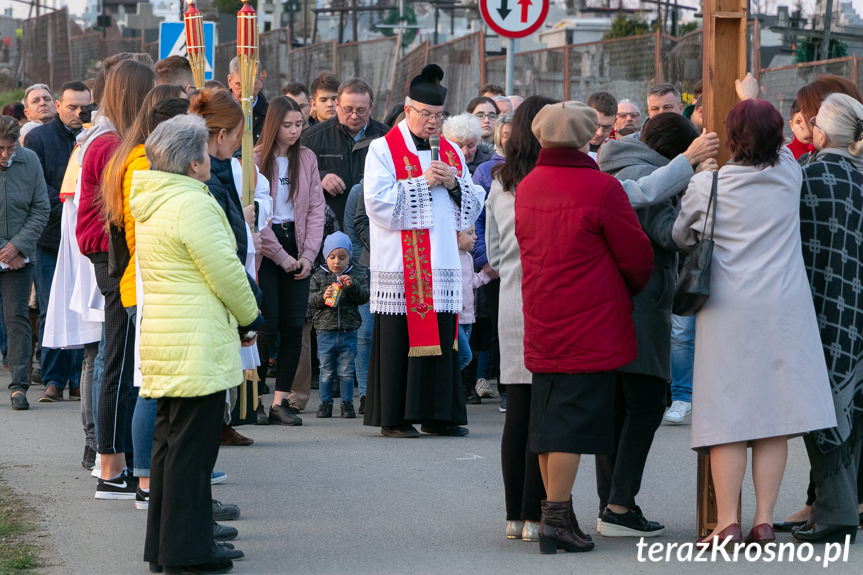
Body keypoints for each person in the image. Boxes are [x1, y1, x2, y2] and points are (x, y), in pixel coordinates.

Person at [672, 99, 836, 547]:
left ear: (730, 138)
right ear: (778, 137)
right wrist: (752, 91)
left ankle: (727, 521)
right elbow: (781, 147)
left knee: (728, 417)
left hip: (728, 310)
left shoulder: (710, 185)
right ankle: (764, 520)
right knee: (773, 418)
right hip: (784, 310)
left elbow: (680, 235)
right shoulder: (789, 175)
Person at [516, 100, 653, 554]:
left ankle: (558, 513)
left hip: (542, 313)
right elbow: (636, 257)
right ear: (586, 137)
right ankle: (556, 516)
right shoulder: (601, 188)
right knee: (571, 426)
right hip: (591, 319)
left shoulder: (529, 185)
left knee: (547, 419)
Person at [133, 114, 262, 574]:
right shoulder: (192, 203)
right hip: (195, 340)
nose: (209, 158)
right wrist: (251, 315)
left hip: (173, 337)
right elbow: (224, 268)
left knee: (171, 449)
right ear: (193, 163)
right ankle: (188, 554)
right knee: (191, 451)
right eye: (204, 152)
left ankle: (168, 547)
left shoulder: (157, 198)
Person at [363, 64, 485, 438]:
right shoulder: (382, 149)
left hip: (442, 261)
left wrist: (453, 185)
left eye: (439, 116)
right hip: (401, 266)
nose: (433, 123)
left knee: (443, 337)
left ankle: (438, 415)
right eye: (426, 114)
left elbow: (473, 203)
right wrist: (421, 182)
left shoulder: (450, 151)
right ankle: (395, 419)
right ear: (407, 109)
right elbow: (377, 204)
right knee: (400, 339)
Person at [596, 112, 704, 537]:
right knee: (645, 405)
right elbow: (668, 233)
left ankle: (610, 503)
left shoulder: (615, 162)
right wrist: (697, 203)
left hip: (609, 304)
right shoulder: (653, 174)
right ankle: (620, 506)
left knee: (619, 409)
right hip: (641, 304)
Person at [102, 86, 189, 507]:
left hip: (149, 282)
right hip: (149, 284)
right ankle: (146, 481)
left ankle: (151, 478)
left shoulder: (143, 161)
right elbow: (145, 235)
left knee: (151, 384)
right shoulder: (143, 165)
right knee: (151, 386)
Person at [77, 58, 154, 499]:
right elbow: (115, 213)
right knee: (119, 361)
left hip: (108, 250)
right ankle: (110, 464)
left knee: (118, 360)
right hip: (111, 253)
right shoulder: (111, 143)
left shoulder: (109, 140)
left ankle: (116, 460)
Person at [485, 95, 555, 542]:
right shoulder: (554, 180)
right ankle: (537, 513)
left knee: (518, 411)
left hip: (511, 298)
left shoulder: (500, 182)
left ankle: (514, 516)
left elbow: (491, 252)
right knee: (546, 415)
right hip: (552, 302)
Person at [794, 93, 863, 544]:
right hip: (858, 304)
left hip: (815, 306)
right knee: (853, 407)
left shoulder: (804, 176)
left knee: (819, 408)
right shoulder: (861, 179)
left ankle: (836, 514)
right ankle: (836, 505)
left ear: (821, 131)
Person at [255, 95, 326, 426]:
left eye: (299, 124)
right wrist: (281, 257)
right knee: (265, 324)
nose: (295, 131)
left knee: (293, 324)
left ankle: (281, 401)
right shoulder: (255, 159)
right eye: (287, 125)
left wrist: (309, 255)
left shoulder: (307, 158)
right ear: (273, 125)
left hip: (298, 242)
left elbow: (315, 208)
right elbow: (255, 216)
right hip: (267, 247)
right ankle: (254, 397)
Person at [23, 80, 91, 402]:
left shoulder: (94, 137)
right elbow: (36, 186)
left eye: (84, 107)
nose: (79, 113)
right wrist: (68, 203)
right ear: (59, 106)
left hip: (84, 238)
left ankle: (78, 379)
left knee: (81, 307)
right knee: (52, 306)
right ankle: (53, 378)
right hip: (50, 236)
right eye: (73, 107)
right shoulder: (38, 139)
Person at [0, 116, 50, 411]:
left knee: (17, 318)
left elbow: (41, 207)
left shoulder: (29, 161)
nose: (6, 155)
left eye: (10, 148)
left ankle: (19, 386)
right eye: (1, 149)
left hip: (19, 258)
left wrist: (18, 246)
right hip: (6, 252)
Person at [302, 77, 388, 226]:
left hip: (373, 225)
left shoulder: (386, 138)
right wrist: (320, 177)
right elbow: (295, 174)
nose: (354, 116)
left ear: (371, 107)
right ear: (337, 105)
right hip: (329, 227)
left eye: (361, 110)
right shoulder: (312, 138)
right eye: (348, 109)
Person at [309, 231, 369, 418]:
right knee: (326, 370)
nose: (337, 262)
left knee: (346, 371)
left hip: (349, 331)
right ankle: (325, 403)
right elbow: (309, 300)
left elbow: (364, 297)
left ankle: (347, 404)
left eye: (342, 257)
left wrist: (352, 286)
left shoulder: (357, 273)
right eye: (332, 257)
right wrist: (322, 296)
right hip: (325, 331)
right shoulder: (319, 275)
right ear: (325, 256)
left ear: (349, 257)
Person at [456, 225, 492, 378]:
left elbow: (471, 282)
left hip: (468, 318)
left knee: (460, 356)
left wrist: (487, 275)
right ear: (457, 236)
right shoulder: (451, 257)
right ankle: (446, 382)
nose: (475, 237)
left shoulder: (469, 257)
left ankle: (450, 388)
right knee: (465, 356)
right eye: (470, 233)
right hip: (456, 317)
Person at [227, 56, 268, 143]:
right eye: (239, 85)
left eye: (251, 85)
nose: (245, 91)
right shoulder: (218, 112)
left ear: (261, 81)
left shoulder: (270, 115)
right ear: (230, 81)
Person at [586, 91, 617, 156]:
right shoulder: (567, 147)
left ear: (615, 122)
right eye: (595, 125)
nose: (599, 133)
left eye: (606, 127)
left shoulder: (619, 150)